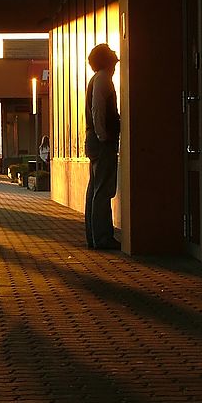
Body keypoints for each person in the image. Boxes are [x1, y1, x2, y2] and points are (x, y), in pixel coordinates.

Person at [84, 44, 121, 250]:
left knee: (95, 189)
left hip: (95, 140)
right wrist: (103, 135)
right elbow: (98, 109)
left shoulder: (96, 79)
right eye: (114, 61)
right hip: (101, 141)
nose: (116, 65)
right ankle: (102, 237)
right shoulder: (103, 80)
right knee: (103, 190)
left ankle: (94, 237)